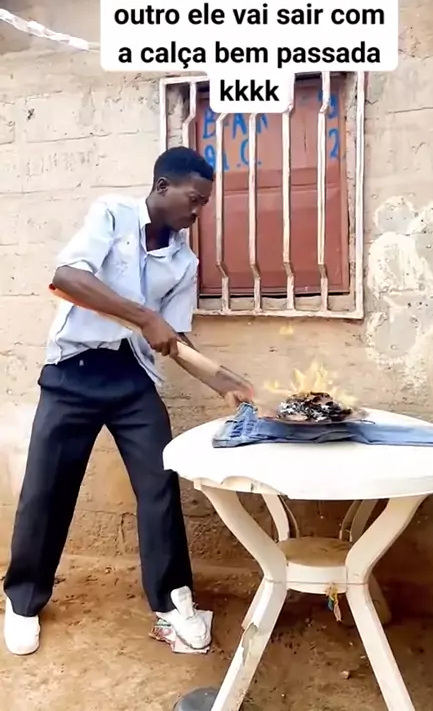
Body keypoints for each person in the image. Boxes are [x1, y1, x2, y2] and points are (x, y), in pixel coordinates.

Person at [3, 145, 252, 656]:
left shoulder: (183, 261)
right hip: (72, 373)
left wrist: (223, 380)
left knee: (160, 484)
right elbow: (67, 277)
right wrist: (144, 316)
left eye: (204, 203)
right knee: (46, 490)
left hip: (131, 380)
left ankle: (172, 600)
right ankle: (23, 600)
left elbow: (172, 338)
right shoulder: (111, 215)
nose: (198, 211)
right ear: (162, 187)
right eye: (194, 199)